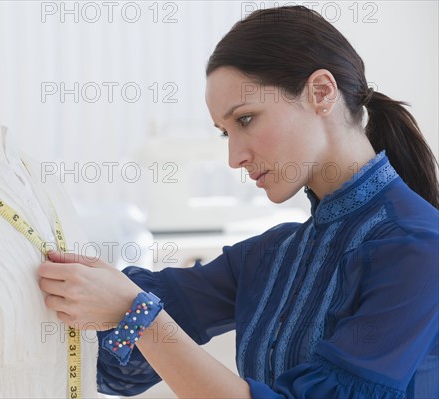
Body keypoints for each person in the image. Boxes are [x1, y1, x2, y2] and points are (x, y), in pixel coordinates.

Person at [38, 5, 439, 398]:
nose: (234, 158)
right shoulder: (272, 255)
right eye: (225, 133)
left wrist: (138, 315)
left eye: (245, 119)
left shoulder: (419, 249)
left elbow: (137, 310)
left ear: (321, 92)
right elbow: (115, 355)